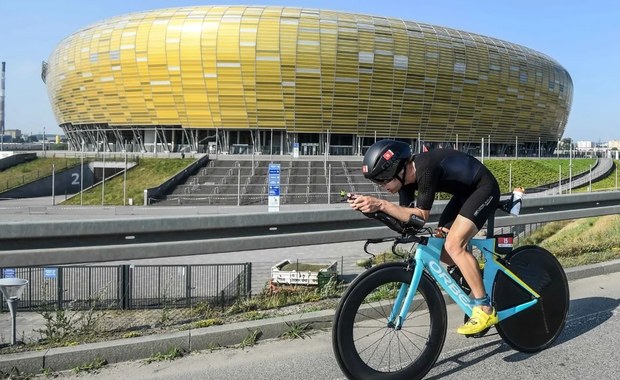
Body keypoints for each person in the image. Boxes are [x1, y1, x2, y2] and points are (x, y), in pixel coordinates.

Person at [349, 139, 500, 335]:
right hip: (464, 195)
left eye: (384, 180)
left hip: (483, 188)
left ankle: (485, 309)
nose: (382, 187)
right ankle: (476, 274)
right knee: (443, 250)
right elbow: (411, 222)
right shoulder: (405, 182)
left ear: (397, 170)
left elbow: (421, 215)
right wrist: (372, 211)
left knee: (455, 245)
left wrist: (382, 204)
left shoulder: (425, 167)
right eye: (378, 182)